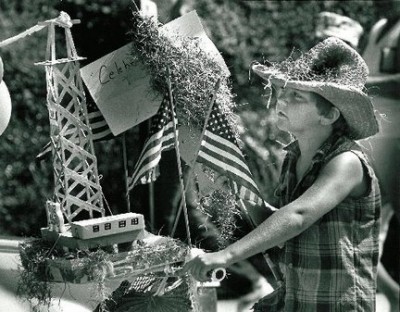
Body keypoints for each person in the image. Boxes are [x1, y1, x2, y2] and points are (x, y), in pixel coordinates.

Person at [183, 37, 381, 311]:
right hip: (294, 300)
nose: (281, 102)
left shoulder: (346, 162)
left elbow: (298, 217)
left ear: (329, 115)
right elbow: (284, 228)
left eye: (296, 97)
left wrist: (226, 255)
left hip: (335, 305)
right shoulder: (294, 158)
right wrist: (243, 193)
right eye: (281, 94)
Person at [359, 2, 400, 310]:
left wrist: (363, 84)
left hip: (397, 138)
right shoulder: (377, 28)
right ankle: (391, 293)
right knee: (361, 222)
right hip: (375, 136)